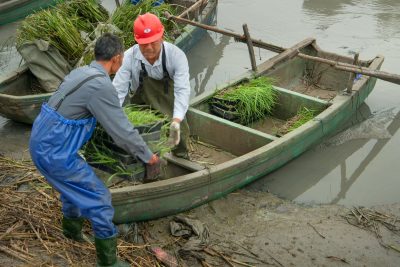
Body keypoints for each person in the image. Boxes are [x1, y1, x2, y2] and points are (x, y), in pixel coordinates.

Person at [29, 33, 160, 267]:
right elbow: (122, 131)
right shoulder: (101, 85)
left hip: (40, 142)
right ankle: (108, 261)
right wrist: (148, 156)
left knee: (73, 187)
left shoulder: (79, 72)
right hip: (55, 153)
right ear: (117, 58)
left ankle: (71, 231)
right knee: (99, 198)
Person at [113, 13, 191, 159]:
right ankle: (147, 162)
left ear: (162, 37)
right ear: (137, 41)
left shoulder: (176, 56)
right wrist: (111, 116)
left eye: (153, 42)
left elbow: (182, 90)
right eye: (144, 43)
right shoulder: (129, 57)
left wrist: (176, 119)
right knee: (139, 133)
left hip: (169, 101)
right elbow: (118, 90)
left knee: (179, 131)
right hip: (141, 102)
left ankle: (181, 158)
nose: (149, 47)